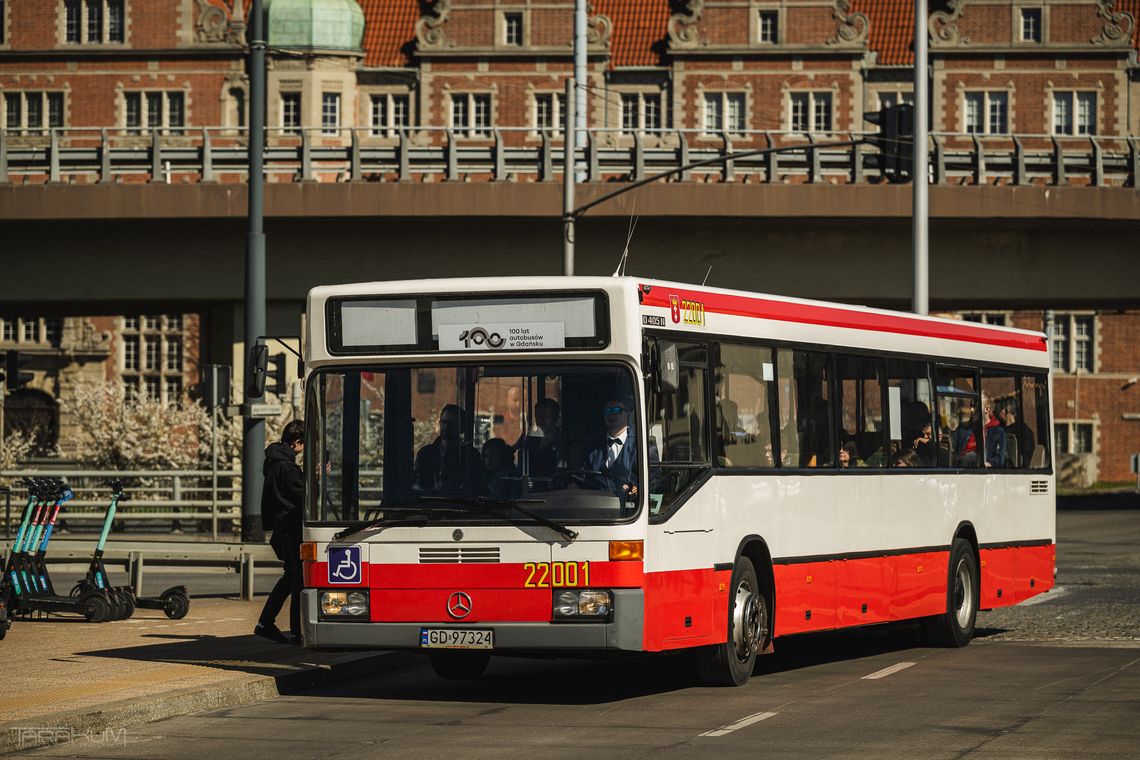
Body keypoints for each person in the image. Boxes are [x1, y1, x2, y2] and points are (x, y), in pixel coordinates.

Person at [255, 420, 305, 645]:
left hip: (281, 529)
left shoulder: (273, 463)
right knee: (297, 580)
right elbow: (304, 495)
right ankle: (297, 632)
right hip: (291, 528)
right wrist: (318, 478)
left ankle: (265, 623)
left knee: (290, 578)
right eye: (304, 444)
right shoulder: (287, 468)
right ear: (296, 442)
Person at [414, 404, 485, 491]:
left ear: (461, 428)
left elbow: (475, 486)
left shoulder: (471, 455)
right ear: (440, 423)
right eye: (444, 422)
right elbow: (418, 484)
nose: (446, 427)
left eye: (452, 424)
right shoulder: (425, 453)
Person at [580, 398, 641, 499]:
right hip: (597, 505)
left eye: (617, 410)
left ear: (629, 413)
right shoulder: (592, 446)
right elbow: (582, 477)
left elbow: (654, 478)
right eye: (607, 411)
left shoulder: (640, 443)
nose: (611, 415)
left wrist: (637, 487)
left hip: (631, 510)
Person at [514, 398, 563, 479]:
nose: (540, 421)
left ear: (556, 418)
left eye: (546, 416)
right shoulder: (531, 440)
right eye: (538, 416)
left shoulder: (563, 442)